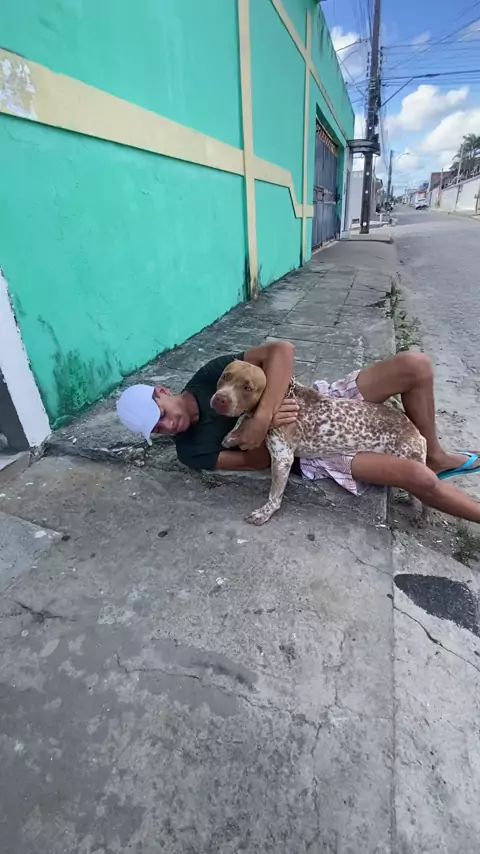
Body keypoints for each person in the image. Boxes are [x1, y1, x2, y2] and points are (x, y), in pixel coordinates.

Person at [116, 341, 480, 524]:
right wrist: (270, 426)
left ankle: (436, 454)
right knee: (417, 477)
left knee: (415, 364)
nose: (167, 426)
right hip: (315, 451)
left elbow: (282, 351)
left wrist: (262, 416)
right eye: (156, 429)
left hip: (320, 399)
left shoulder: (213, 374)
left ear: (162, 391)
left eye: (160, 415)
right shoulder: (191, 452)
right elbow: (258, 461)